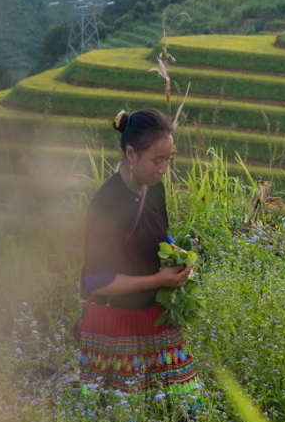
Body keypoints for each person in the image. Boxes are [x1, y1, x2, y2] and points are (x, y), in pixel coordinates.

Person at [77, 108, 200, 396]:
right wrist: (159, 280)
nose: (163, 169)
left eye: (168, 160)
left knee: (185, 405)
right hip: (116, 325)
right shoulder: (106, 205)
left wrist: (174, 250)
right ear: (131, 155)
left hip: (155, 316)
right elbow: (99, 281)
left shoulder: (152, 187)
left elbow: (159, 233)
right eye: (157, 160)